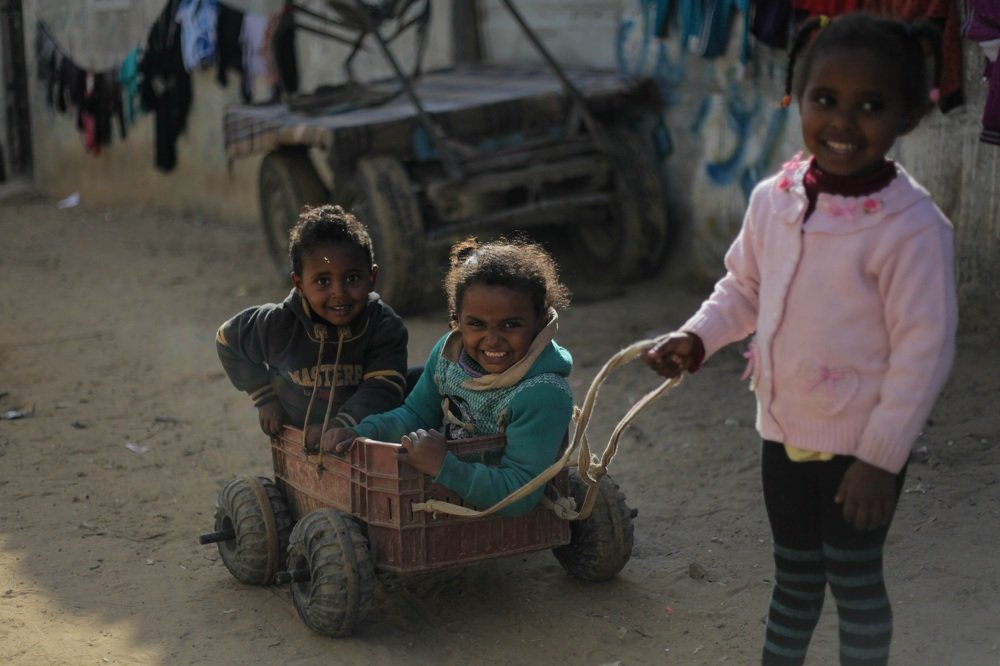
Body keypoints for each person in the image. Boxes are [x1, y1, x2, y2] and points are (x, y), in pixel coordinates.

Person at [643, 13, 957, 666]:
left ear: (909, 116)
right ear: (796, 96)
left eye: (871, 106)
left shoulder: (912, 228)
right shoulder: (773, 200)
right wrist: (698, 337)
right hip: (782, 432)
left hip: (862, 449)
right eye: (826, 99)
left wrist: (881, 458)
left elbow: (923, 352)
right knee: (795, 578)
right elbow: (744, 289)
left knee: (855, 581)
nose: (843, 122)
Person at [321, 236, 574, 517]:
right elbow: (415, 414)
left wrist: (444, 466)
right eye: (476, 324)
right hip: (443, 500)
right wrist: (360, 433)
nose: (492, 340)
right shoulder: (448, 356)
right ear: (457, 320)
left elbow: (520, 494)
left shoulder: (542, 394)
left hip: (495, 517)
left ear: (540, 323)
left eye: (511, 325)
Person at [216, 204, 408, 441]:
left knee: (421, 381)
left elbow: (383, 387)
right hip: (301, 441)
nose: (339, 293)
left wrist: (338, 426)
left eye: (352, 278)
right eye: (323, 281)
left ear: (372, 278)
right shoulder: (279, 323)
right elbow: (227, 340)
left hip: (364, 436)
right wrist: (264, 398)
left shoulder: (383, 325)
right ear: (299, 285)